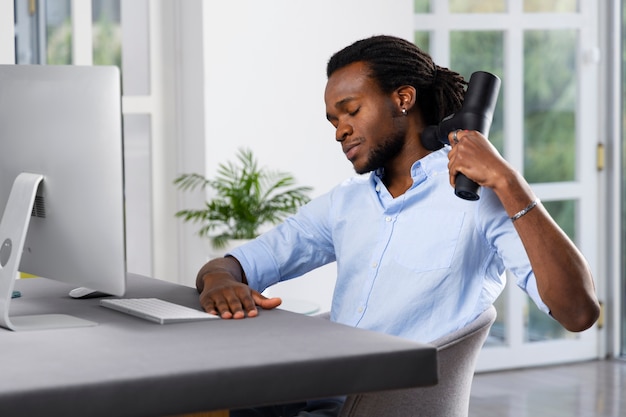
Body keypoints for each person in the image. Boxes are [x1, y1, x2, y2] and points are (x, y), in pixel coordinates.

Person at [195, 35, 600, 417]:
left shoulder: (478, 197)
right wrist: (218, 281)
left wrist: (510, 183)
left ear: (403, 98)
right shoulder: (346, 202)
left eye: (351, 111)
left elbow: (578, 312)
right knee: (195, 401)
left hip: (383, 406)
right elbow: (233, 265)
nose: (340, 131)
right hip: (319, 388)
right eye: (333, 120)